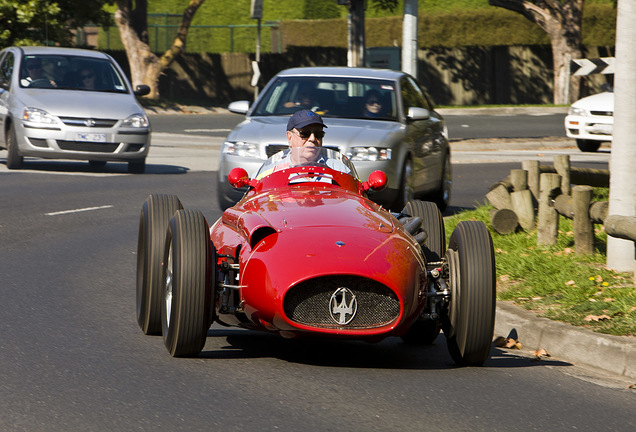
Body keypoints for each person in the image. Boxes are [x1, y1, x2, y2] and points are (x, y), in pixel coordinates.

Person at [255, 109, 350, 179]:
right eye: (305, 133)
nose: (312, 139)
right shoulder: (269, 172)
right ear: (289, 137)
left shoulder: (340, 170)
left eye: (318, 134)